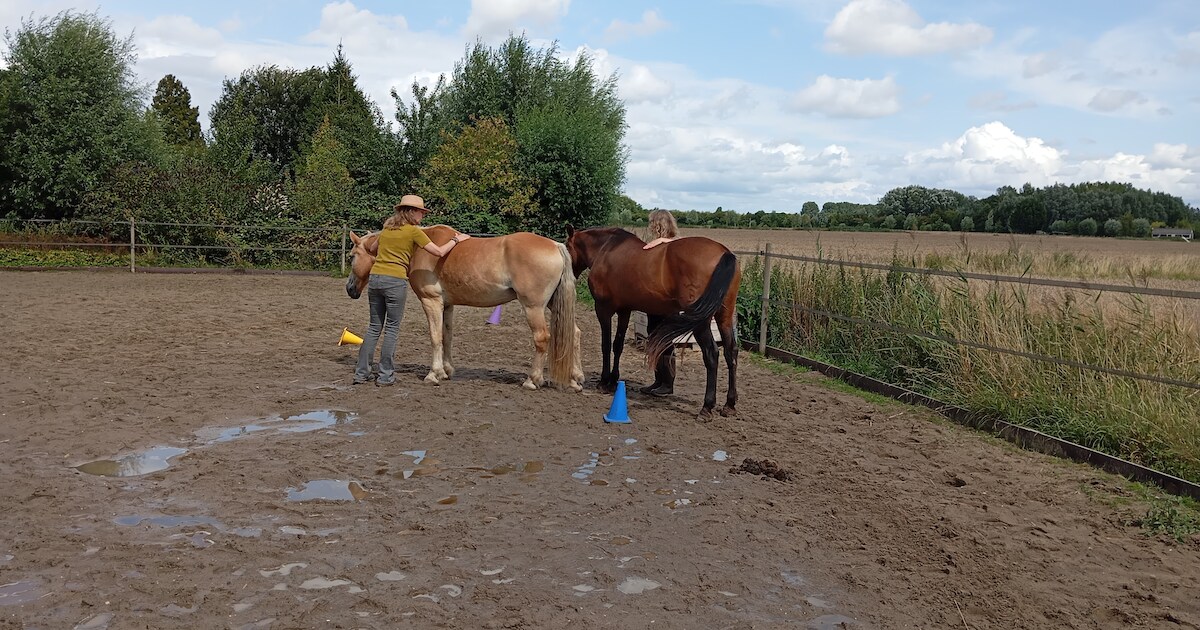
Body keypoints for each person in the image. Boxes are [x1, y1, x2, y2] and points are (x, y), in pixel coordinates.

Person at [355, 194, 471, 386]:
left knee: (374, 327)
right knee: (391, 329)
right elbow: (439, 252)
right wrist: (457, 240)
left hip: (375, 280)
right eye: (420, 212)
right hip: (395, 281)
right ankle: (385, 376)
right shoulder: (414, 232)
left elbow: (373, 249)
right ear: (410, 212)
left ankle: (361, 374)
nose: (422, 216)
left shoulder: (386, 230)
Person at [640, 209, 681, 395]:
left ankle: (667, 383)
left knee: (664, 340)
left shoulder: (662, 246)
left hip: (665, 300)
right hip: (658, 301)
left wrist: (658, 242)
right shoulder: (673, 244)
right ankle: (659, 380)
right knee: (655, 337)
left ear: (657, 225)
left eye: (652, 224)